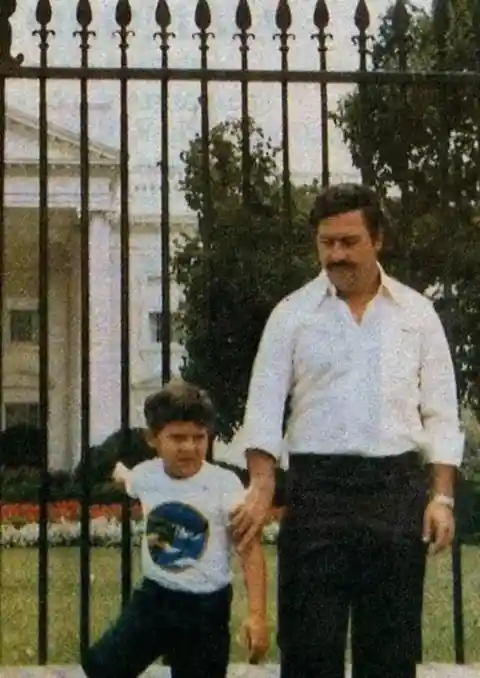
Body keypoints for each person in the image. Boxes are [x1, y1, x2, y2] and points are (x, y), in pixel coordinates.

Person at [230, 183, 464, 678]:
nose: (336, 254)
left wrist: (441, 498)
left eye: (349, 241)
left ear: (377, 239)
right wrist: (262, 483)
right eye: (326, 242)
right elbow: (265, 405)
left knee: (391, 653)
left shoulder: (418, 315)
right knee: (310, 651)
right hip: (318, 495)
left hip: (395, 493)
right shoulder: (291, 315)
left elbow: (442, 411)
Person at [81, 379, 269, 678]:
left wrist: (257, 616)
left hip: (205, 610)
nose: (190, 447)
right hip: (154, 599)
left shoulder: (224, 485)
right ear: (152, 439)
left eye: (199, 437)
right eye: (177, 437)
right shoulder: (146, 476)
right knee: (103, 666)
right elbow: (127, 479)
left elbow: (250, 551)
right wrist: (115, 468)